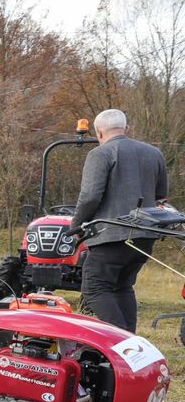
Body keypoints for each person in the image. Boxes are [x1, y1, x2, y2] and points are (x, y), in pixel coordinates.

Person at [68, 108, 170, 332]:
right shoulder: (154, 153)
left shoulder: (100, 154)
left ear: (98, 133)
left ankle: (118, 345)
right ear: (126, 128)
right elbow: (161, 194)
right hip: (144, 236)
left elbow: (90, 196)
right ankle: (131, 346)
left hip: (112, 236)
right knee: (122, 287)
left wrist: (75, 225)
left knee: (94, 288)